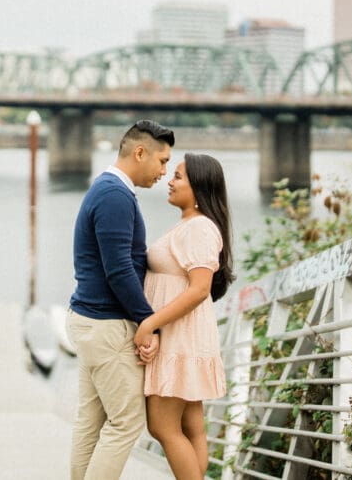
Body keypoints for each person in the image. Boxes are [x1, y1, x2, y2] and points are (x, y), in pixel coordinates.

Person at [67, 119, 176, 480]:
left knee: (91, 422)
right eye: (162, 161)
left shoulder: (108, 189)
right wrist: (151, 322)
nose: (165, 171)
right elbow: (118, 271)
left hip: (90, 322)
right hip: (105, 325)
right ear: (139, 152)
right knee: (127, 422)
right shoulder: (115, 195)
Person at [134, 153, 234, 480]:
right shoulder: (190, 225)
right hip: (182, 333)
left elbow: (199, 288)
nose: (170, 181)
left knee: (162, 426)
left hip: (180, 336)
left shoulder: (200, 228)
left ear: (199, 186)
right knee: (191, 428)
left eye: (178, 176)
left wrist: (151, 323)